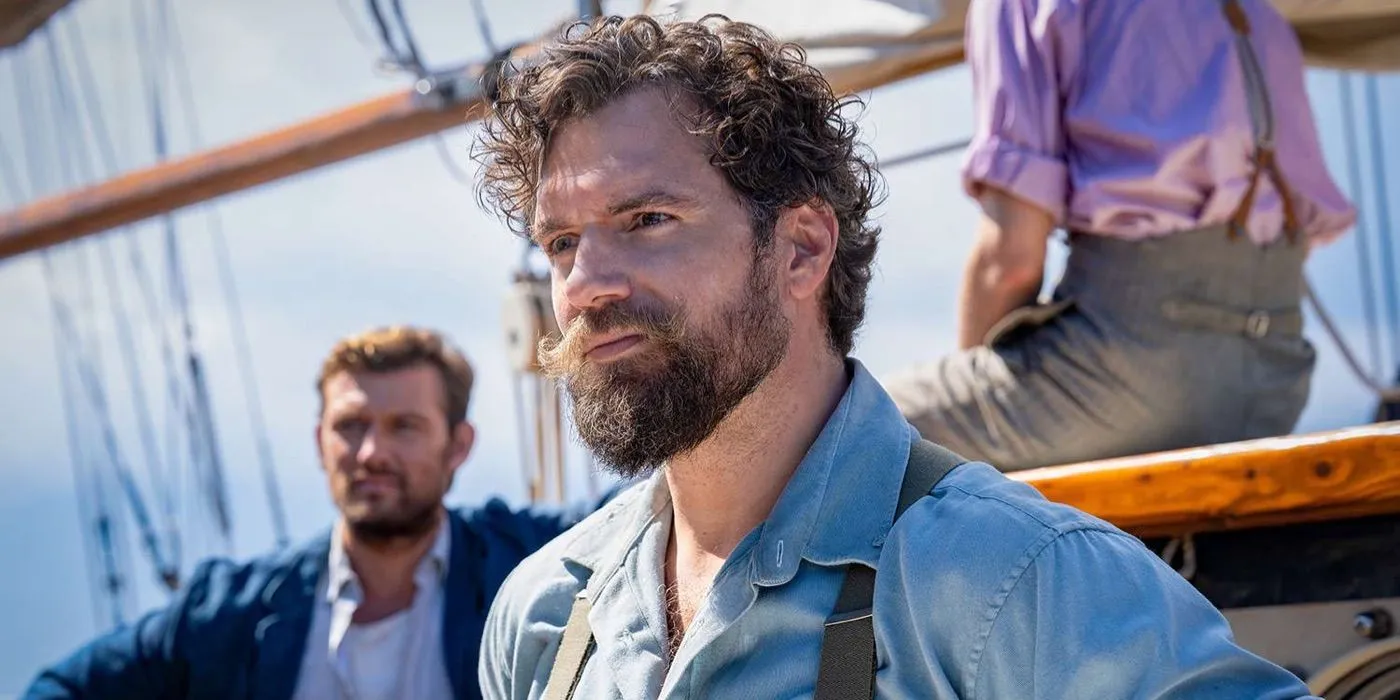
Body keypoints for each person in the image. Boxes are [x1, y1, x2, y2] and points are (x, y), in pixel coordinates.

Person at [471, 14, 1316, 699]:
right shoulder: (543, 617)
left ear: (802, 249)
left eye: (647, 219)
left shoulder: (1012, 583)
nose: (586, 285)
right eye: (560, 243)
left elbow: (1008, 256)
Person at [883, 0, 1357, 470]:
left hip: (1129, 375)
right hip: (1276, 378)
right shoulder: (1256, 12)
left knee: (845, 434)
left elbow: (1011, 262)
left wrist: (978, 395)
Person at [24, 325, 604, 700]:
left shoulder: (527, 562)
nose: (371, 452)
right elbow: (61, 689)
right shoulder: (233, 612)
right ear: (320, 443)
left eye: (403, 427)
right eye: (350, 427)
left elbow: (658, 503)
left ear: (457, 446)